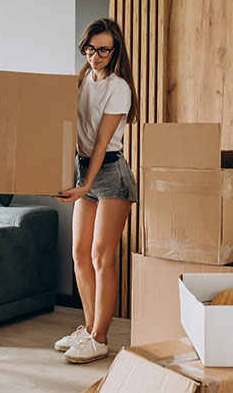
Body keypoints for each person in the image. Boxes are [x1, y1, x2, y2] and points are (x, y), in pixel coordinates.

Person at [54, 18, 139, 364]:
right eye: (90, 49)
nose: (96, 56)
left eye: (103, 50)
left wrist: (86, 185)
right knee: (79, 254)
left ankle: (100, 338)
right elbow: (63, 129)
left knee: (103, 256)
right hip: (83, 169)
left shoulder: (118, 87)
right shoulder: (80, 79)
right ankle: (89, 329)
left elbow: (103, 142)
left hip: (109, 173)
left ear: (115, 50)